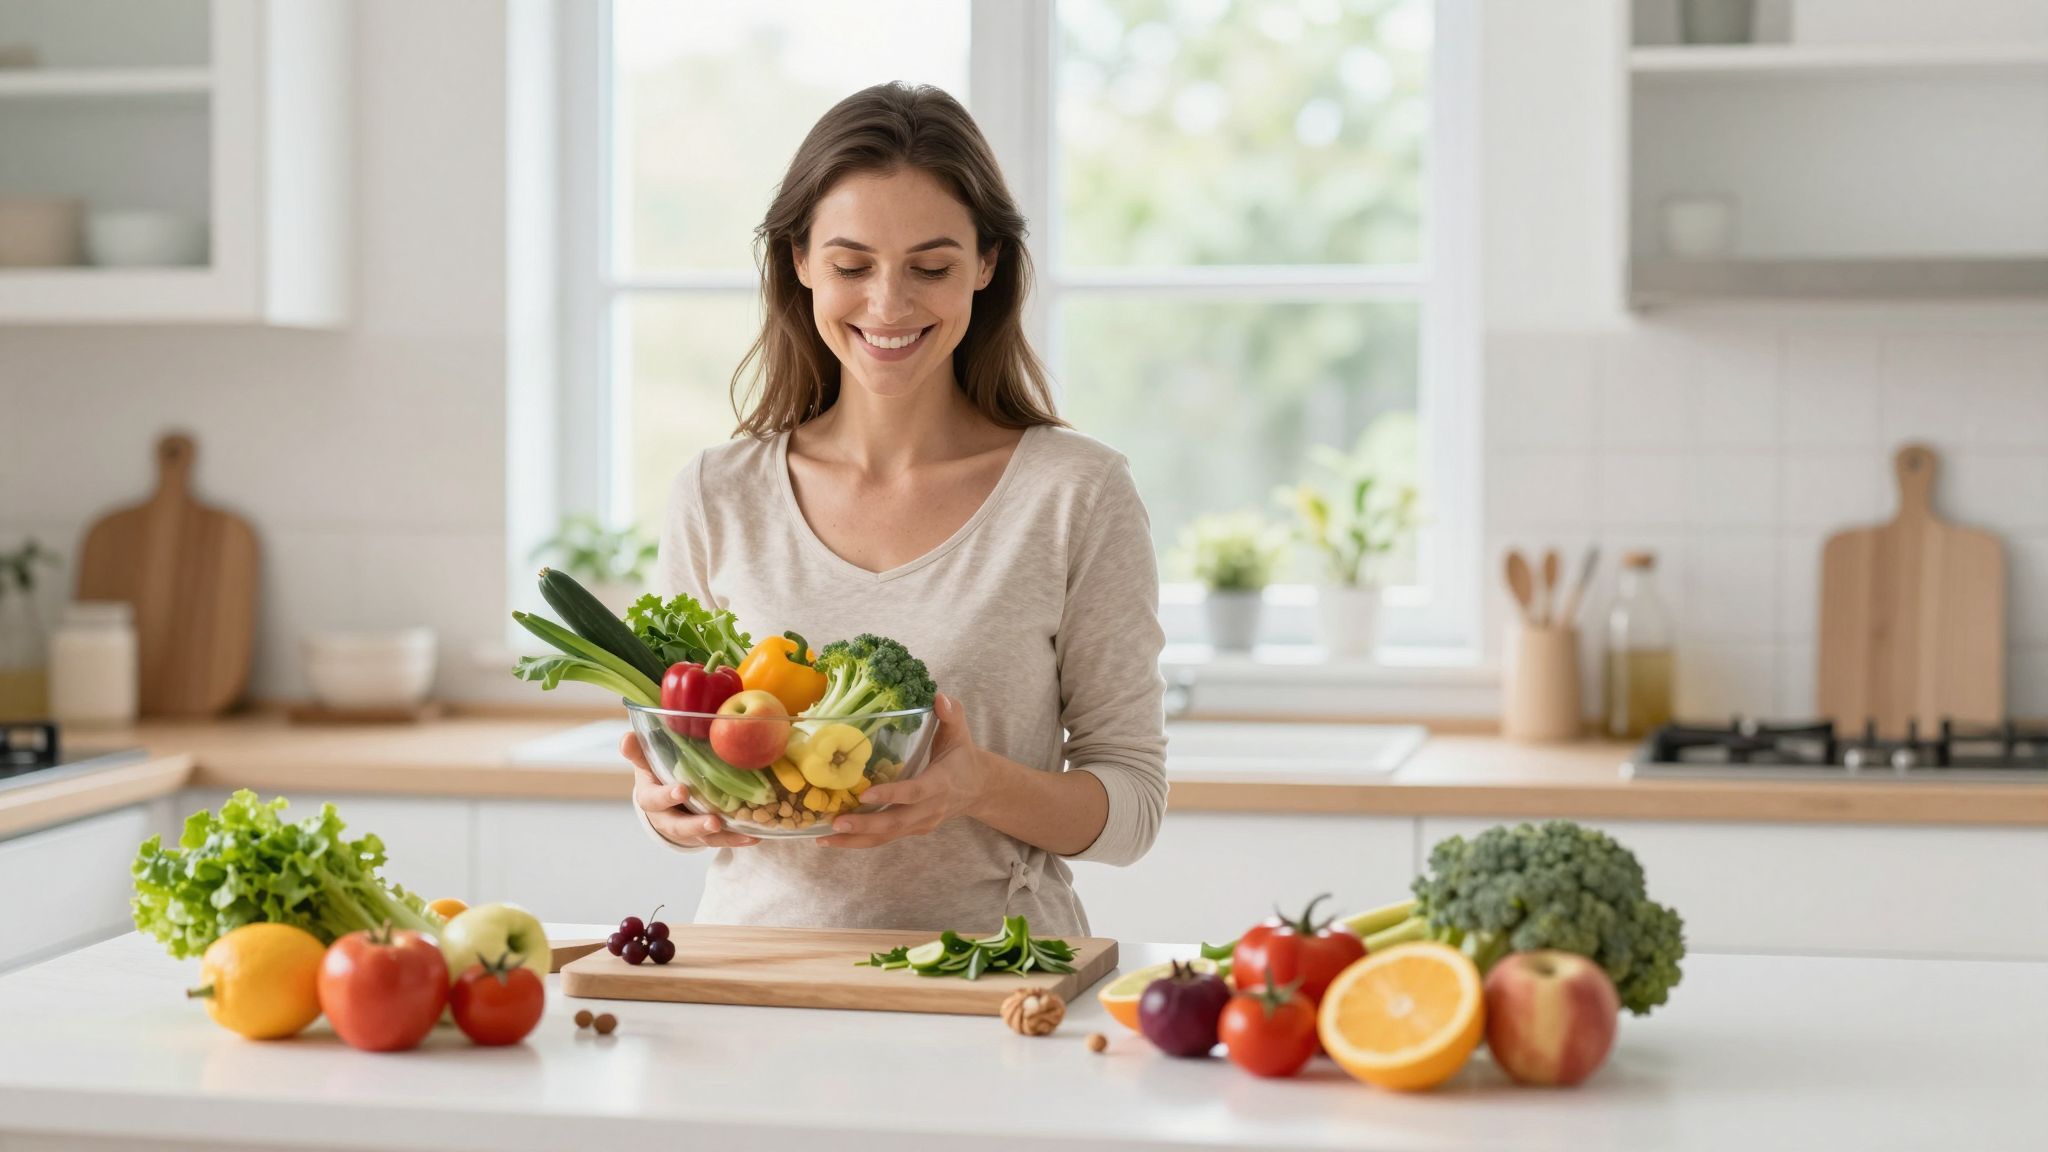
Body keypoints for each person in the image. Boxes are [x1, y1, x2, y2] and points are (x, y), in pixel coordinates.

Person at [619, 82, 1167, 936]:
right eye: (851, 266)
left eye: (931, 267)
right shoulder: (716, 494)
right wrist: (666, 806)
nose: (888, 304)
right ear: (800, 262)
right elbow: (688, 753)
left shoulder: (1075, 494)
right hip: (753, 976)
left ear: (987, 264)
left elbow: (1132, 809)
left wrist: (977, 785)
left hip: (995, 979)